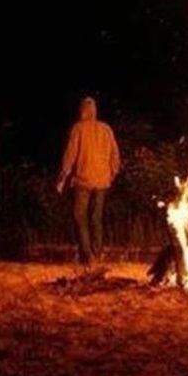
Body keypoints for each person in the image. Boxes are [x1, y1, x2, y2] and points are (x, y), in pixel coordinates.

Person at [57, 96, 121, 264]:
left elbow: (70, 155)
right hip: (102, 181)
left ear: (82, 111)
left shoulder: (78, 128)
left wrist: (62, 177)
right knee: (96, 218)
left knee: (80, 217)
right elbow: (115, 154)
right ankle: (98, 253)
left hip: (83, 180)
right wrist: (112, 173)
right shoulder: (106, 129)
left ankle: (88, 255)